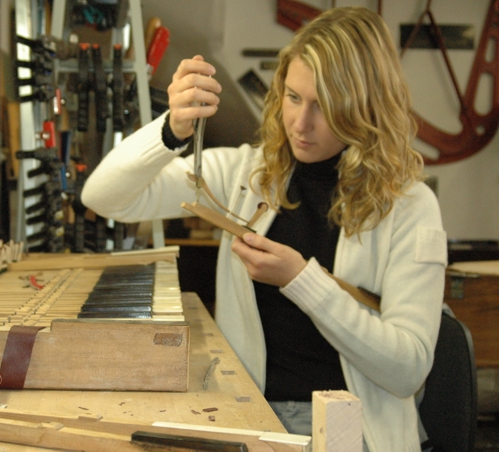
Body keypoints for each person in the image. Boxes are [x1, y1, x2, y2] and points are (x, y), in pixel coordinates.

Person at [82, 6, 447, 451]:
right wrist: (172, 129)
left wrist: (301, 281)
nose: (300, 123)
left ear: (365, 107)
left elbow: (408, 369)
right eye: (293, 97)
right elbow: (103, 197)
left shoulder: (409, 206)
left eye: (324, 107)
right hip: (249, 418)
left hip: (357, 430)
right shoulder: (248, 176)